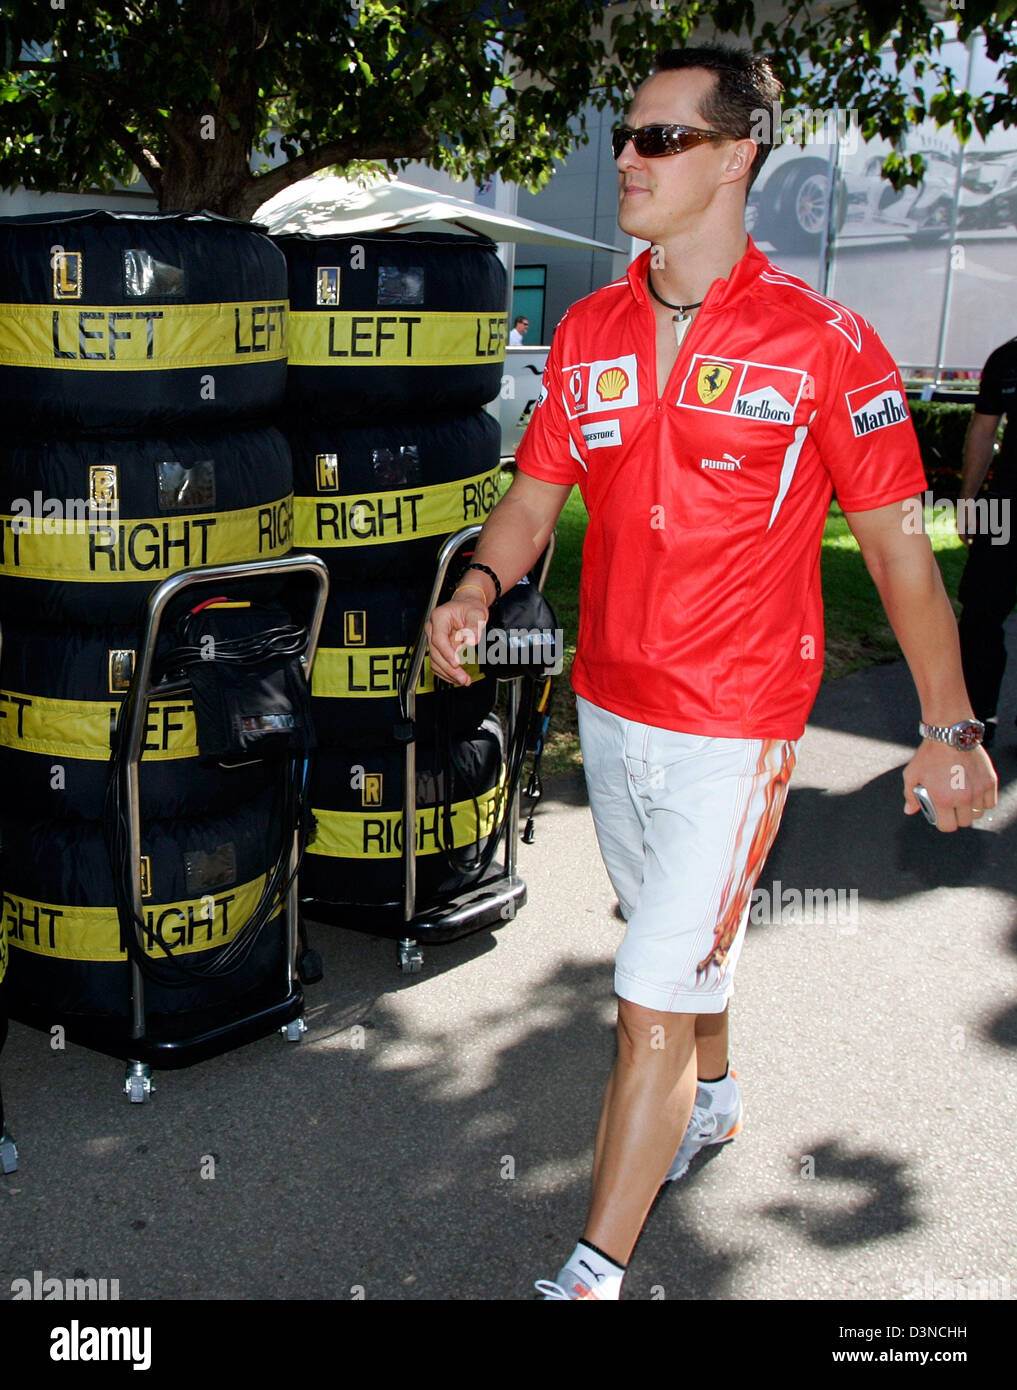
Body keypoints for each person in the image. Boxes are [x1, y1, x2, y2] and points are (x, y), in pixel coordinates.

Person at [425, 43, 998, 1301]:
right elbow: (530, 507)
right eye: (626, 138)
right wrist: (475, 586)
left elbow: (905, 558)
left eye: (660, 140)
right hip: (610, 706)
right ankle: (717, 1100)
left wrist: (950, 726)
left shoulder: (828, 346)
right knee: (677, 952)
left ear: (737, 157)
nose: (627, 158)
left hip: (738, 720)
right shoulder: (586, 331)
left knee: (645, 999)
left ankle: (590, 1273)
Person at [956, 336, 1017, 750]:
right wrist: (967, 501)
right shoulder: (1007, 358)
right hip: (1006, 507)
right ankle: (975, 720)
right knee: (979, 615)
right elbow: (983, 430)